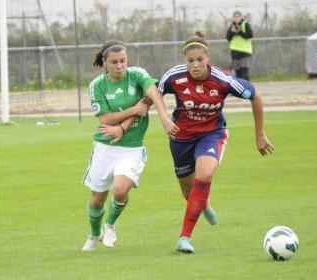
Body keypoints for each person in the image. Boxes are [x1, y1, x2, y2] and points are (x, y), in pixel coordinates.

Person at [158, 32, 274, 254]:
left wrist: (260, 134)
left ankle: (184, 238)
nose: (195, 65)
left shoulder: (223, 80)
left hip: (211, 134)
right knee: (187, 191)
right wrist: (162, 118)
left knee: (205, 173)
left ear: (207, 57)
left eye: (200, 60)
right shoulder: (174, 76)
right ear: (185, 60)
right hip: (181, 138)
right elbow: (155, 92)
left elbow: (255, 96)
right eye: (190, 61)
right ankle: (205, 204)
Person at [81, 40, 179, 251]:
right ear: (105, 63)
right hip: (105, 148)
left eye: (123, 60)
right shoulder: (97, 85)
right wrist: (134, 110)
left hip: (132, 148)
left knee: (120, 190)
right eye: (114, 62)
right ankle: (93, 234)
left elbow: (153, 94)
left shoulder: (137, 75)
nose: (120, 65)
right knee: (97, 199)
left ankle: (110, 225)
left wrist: (163, 118)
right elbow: (106, 120)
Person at [226, 11, 253, 81]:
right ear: (233, 18)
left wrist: (240, 32)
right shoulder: (232, 26)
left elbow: (250, 35)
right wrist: (232, 32)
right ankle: (240, 89)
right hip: (235, 52)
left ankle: (247, 88)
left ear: (241, 17)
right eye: (235, 17)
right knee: (238, 72)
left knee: (245, 71)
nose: (237, 18)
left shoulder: (245, 24)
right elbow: (228, 38)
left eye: (238, 16)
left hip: (245, 52)